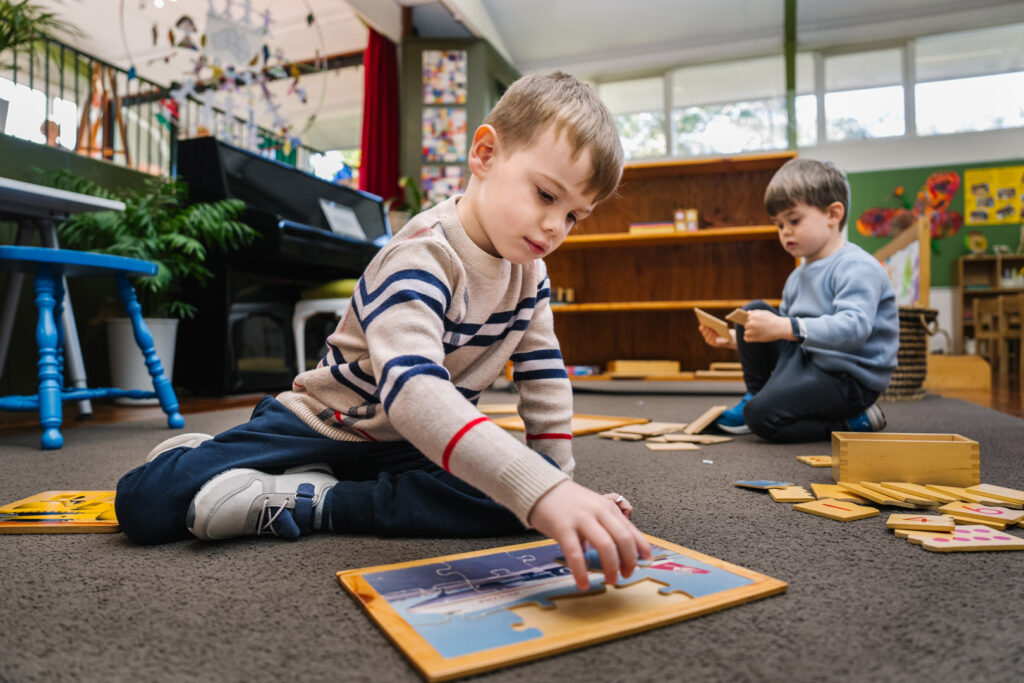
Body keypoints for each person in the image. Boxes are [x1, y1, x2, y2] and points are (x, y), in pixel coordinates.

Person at [115, 70, 652, 591]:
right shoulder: (422, 254)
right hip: (327, 424)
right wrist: (543, 493)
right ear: (485, 154)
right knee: (144, 507)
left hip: (414, 446)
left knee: (518, 496)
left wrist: (558, 483)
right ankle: (209, 457)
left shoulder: (530, 275)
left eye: (575, 216)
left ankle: (318, 502)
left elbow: (544, 378)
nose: (557, 226)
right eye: (545, 195)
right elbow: (414, 393)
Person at [698, 157, 898, 443]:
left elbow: (854, 329)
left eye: (794, 220)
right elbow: (785, 341)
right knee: (752, 313)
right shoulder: (798, 276)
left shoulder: (857, 266)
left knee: (761, 418)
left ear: (833, 214)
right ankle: (757, 394)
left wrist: (785, 328)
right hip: (811, 362)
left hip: (848, 380)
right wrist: (735, 337)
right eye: (779, 225)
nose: (785, 232)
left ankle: (854, 421)